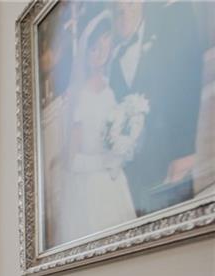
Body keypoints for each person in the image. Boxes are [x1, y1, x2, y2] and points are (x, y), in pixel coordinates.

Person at [110, 1, 205, 216]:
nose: (125, 15)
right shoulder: (113, 61)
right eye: (119, 11)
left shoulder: (168, 30)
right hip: (133, 177)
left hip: (170, 159)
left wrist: (185, 151)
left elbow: (186, 87)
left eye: (131, 5)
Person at [57, 10, 136, 245]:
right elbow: (72, 160)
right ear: (86, 51)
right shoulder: (79, 96)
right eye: (94, 48)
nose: (100, 54)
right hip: (91, 188)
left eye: (105, 45)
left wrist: (122, 149)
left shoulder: (112, 87)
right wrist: (106, 162)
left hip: (115, 180)